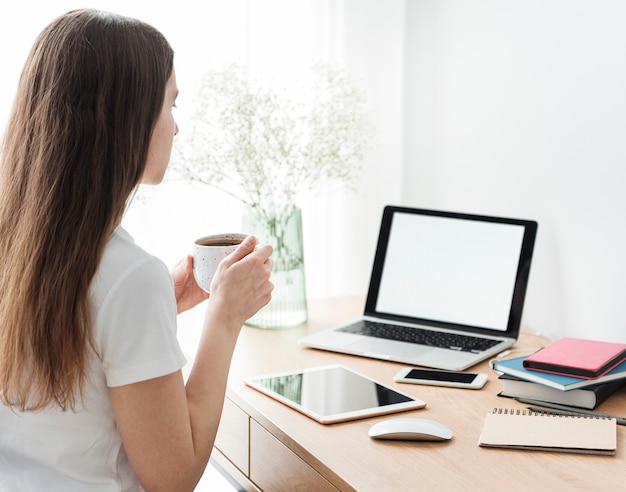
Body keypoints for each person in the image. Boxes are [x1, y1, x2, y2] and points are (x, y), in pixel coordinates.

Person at [0, 9, 273, 491]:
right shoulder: (127, 275)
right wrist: (225, 318)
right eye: (171, 105)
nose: (176, 127)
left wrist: (157, 304)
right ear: (127, 119)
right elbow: (173, 477)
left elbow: (66, 364)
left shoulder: (18, 245)